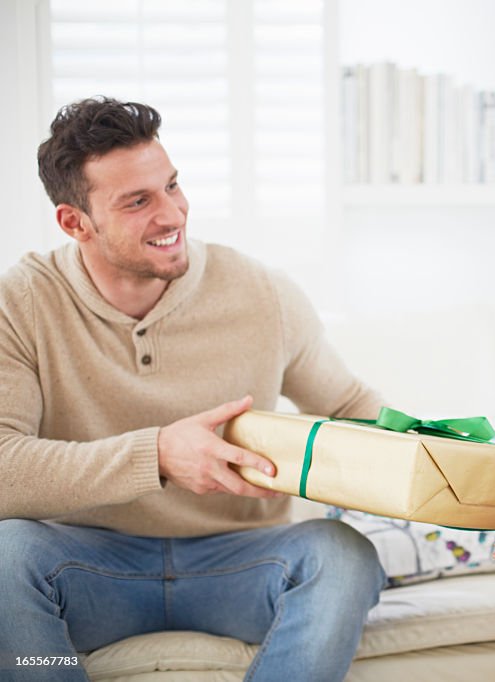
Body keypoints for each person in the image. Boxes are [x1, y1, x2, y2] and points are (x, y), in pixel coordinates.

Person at [0, 97, 386, 681]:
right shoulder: (21, 304)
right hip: (86, 565)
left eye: (172, 186)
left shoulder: (263, 293)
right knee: (6, 558)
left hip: (242, 563)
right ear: (75, 222)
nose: (172, 214)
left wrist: (450, 465)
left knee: (343, 555)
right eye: (138, 201)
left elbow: (351, 408)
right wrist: (156, 454)